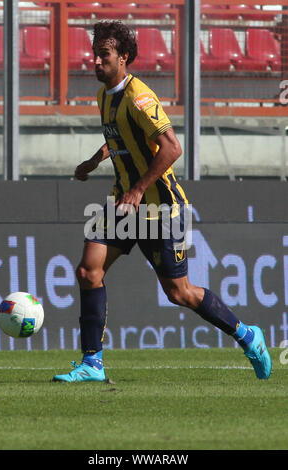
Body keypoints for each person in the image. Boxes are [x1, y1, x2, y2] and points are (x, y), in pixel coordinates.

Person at [53, 20, 272, 383]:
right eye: (94, 53)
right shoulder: (104, 95)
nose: (94, 60)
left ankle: (248, 336)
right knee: (87, 270)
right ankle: (92, 363)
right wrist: (96, 160)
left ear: (123, 58)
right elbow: (121, 138)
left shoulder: (140, 97)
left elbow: (172, 147)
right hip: (123, 203)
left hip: (159, 207)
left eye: (103, 54)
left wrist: (138, 190)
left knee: (179, 292)